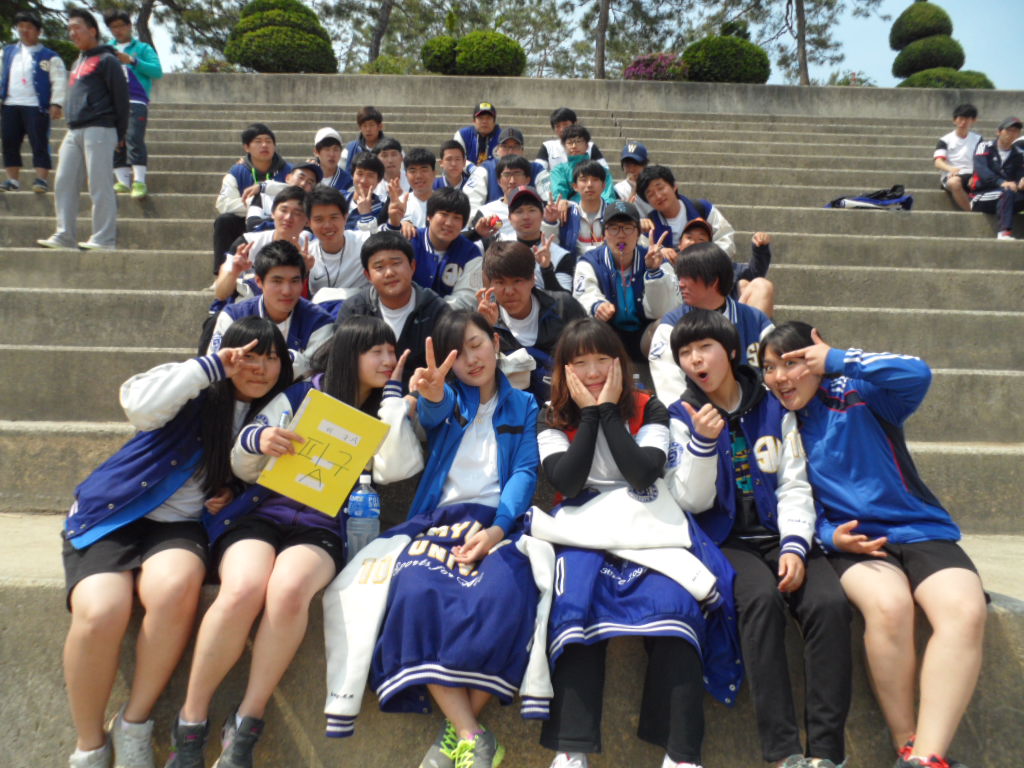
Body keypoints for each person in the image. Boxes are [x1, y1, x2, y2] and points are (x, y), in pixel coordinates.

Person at [165, 316, 422, 768]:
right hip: (261, 513)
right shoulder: (305, 394)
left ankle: (245, 725)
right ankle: (190, 723)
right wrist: (260, 440)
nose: (387, 361)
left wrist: (395, 401)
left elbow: (396, 469)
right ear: (351, 354)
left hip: (322, 528)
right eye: (376, 352)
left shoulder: (387, 409)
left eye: (391, 351)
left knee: (289, 592)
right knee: (243, 588)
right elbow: (241, 459)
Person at [321, 312, 553, 768]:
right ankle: (472, 735)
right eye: (458, 353)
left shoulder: (525, 405)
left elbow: (525, 472)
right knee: (413, 587)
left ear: (495, 342)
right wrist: (431, 393)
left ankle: (459, 733)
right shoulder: (450, 397)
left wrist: (497, 529)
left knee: (508, 593)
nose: (471, 359)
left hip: (499, 524)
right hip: (437, 523)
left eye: (476, 345)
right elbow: (435, 409)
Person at [61, 316, 291, 768]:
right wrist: (211, 366)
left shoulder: (276, 411)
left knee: (175, 589)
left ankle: (135, 724)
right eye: (248, 356)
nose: (259, 368)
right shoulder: (195, 388)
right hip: (116, 514)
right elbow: (138, 404)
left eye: (270, 358)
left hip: (180, 527)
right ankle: (89, 746)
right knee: (102, 610)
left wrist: (232, 491)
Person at [759, 322, 988, 768]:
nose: (780, 378)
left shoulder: (861, 393)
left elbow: (917, 373)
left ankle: (925, 758)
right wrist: (830, 535)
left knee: (965, 611)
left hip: (921, 530)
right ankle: (906, 743)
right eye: (769, 368)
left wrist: (838, 358)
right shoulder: (776, 422)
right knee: (890, 607)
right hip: (851, 543)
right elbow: (790, 497)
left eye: (792, 363)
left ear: (815, 359)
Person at [533, 317, 740, 768]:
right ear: (564, 370)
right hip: (581, 527)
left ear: (620, 363)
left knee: (675, 605)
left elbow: (643, 472)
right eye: (579, 363)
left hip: (648, 521)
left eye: (602, 360)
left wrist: (609, 410)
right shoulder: (551, 415)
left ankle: (681, 753)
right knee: (575, 605)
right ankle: (571, 749)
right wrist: (590, 413)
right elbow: (566, 479)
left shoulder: (650, 406)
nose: (592, 372)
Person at [664, 309, 852, 768]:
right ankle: (784, 752)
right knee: (760, 601)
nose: (695, 360)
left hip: (780, 533)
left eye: (705, 347)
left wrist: (794, 546)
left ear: (731, 351)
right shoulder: (682, 415)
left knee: (829, 604)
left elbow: (793, 483)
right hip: (724, 541)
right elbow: (690, 500)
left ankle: (826, 753)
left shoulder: (772, 406)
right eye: (685, 353)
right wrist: (702, 444)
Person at [37, 8, 128, 251]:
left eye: (77, 28)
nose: (72, 33)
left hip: (100, 128)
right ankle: (65, 235)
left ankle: (104, 238)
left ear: (93, 31)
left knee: (99, 184)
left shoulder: (108, 60)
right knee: (63, 182)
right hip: (74, 129)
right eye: (69, 29)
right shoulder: (78, 61)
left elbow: (121, 99)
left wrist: (121, 134)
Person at [648, 242, 773, 406]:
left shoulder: (756, 320)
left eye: (688, 277)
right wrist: (693, 415)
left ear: (714, 281)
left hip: (753, 412)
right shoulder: (671, 325)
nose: (681, 284)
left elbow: (774, 372)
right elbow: (670, 389)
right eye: (680, 276)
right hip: (696, 415)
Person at [336, 231, 449, 388]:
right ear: (368, 275)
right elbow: (340, 365)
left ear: (412, 266)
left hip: (420, 396)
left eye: (396, 263)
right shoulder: (354, 311)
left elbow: (448, 371)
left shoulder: (438, 311)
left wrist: (415, 397)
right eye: (379, 267)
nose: (389, 273)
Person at [208, 240, 334, 381]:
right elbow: (216, 370)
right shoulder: (233, 316)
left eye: (294, 281)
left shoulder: (320, 322)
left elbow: (313, 379)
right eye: (277, 281)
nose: (287, 291)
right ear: (259, 282)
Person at [477, 240, 585, 402]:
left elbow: (592, 354)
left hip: (568, 400)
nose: (509, 291)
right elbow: (479, 377)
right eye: (500, 282)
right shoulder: (483, 320)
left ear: (532, 279)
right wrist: (486, 331)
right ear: (489, 284)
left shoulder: (564, 307)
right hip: (513, 408)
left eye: (517, 281)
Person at [572, 200, 679, 362]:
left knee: (665, 326)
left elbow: (663, 310)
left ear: (638, 234)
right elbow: (584, 294)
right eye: (614, 228)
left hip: (645, 335)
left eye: (628, 227)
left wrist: (653, 271)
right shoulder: (590, 261)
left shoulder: (656, 260)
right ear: (604, 233)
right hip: (607, 336)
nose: (621, 234)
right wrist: (597, 306)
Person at [210, 185, 313, 307]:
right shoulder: (247, 244)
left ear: (307, 221)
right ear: (273, 213)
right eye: (283, 210)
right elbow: (221, 293)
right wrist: (234, 272)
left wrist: (305, 270)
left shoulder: (311, 251)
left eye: (297, 213)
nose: (288, 217)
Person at [211, 123, 291, 274]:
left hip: (279, 222)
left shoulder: (289, 171)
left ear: (274, 146)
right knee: (224, 221)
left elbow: (298, 193)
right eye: (258, 141)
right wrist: (255, 204)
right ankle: (222, 274)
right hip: (247, 222)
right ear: (247, 147)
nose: (264, 145)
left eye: (268, 141)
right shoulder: (237, 172)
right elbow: (223, 204)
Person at [0, 9, 65, 193]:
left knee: (39, 142)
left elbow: (59, 81)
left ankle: (41, 179)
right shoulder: (7, 52)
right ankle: (12, 180)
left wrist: (56, 103)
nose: (24, 30)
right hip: (10, 104)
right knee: (9, 142)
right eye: (20, 26)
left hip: (36, 106)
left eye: (28, 27)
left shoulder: (50, 56)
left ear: (38, 31)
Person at [103, 9, 162, 200]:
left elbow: (157, 71)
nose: (117, 30)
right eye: (113, 27)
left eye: (120, 26)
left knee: (134, 137)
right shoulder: (106, 49)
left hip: (136, 99)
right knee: (114, 140)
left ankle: (139, 181)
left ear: (129, 26)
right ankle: (122, 180)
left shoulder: (143, 48)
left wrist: (132, 61)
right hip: (111, 102)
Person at [678, 217, 775, 317]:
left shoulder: (722, 268)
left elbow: (754, 274)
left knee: (755, 285)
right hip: (683, 320)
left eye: (701, 239)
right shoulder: (669, 268)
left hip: (723, 319)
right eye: (689, 238)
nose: (694, 242)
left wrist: (760, 249)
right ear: (679, 244)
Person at [637, 165, 735, 258]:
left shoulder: (703, 209)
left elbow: (726, 240)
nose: (658, 196)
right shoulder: (649, 225)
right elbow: (642, 255)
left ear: (674, 186)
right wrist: (659, 253)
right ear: (647, 201)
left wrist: (706, 259)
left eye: (661, 188)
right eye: (651, 194)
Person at [410, 187, 483, 310]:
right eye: (444, 214)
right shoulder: (411, 241)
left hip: (449, 318)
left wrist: (433, 312)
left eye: (457, 217)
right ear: (429, 216)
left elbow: (468, 297)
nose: (449, 223)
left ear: (463, 224)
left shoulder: (472, 253)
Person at [498, 185, 574, 292]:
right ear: (509, 218)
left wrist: (547, 268)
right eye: (519, 211)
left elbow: (565, 298)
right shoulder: (499, 248)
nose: (526, 217)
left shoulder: (561, 255)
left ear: (542, 215)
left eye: (532, 210)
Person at [304, 186, 371, 303]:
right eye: (319, 220)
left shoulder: (365, 243)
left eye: (334, 217)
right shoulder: (307, 255)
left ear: (345, 217)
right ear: (309, 223)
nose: (327, 225)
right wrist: (303, 270)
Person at [544, 159, 614, 258]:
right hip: (572, 266)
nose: (589, 185)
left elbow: (623, 246)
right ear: (575, 186)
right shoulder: (566, 213)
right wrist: (550, 223)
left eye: (595, 179)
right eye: (584, 180)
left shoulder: (614, 214)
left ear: (603, 186)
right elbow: (552, 247)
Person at [970, 116, 1023, 241]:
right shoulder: (985, 147)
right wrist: (1002, 182)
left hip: (1008, 195)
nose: (1011, 134)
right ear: (998, 132)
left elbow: (1019, 175)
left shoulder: (1019, 154)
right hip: (981, 196)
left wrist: (1020, 182)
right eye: (1008, 130)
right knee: (1006, 192)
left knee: (1009, 192)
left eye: (1015, 131)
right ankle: (1004, 232)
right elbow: (982, 171)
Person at [243, 160, 320, 232]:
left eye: (310, 182)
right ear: (288, 178)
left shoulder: (312, 208)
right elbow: (252, 225)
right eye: (301, 177)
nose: (303, 184)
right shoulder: (263, 196)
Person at [549, 126, 617, 206]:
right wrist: (562, 202)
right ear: (564, 147)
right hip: (570, 210)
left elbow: (608, 198)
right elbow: (559, 196)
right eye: (570, 143)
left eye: (578, 141)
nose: (574, 146)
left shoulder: (601, 170)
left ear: (587, 145)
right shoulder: (559, 171)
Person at [476, 127, 544, 204]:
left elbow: (547, 195)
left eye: (515, 147)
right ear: (498, 150)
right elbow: (473, 201)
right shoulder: (486, 169)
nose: (510, 151)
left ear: (522, 150)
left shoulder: (536, 169)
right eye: (505, 146)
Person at [933, 104, 981, 212]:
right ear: (954, 120)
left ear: (973, 120)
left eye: (967, 119)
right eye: (960, 119)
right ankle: (971, 212)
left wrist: (975, 175)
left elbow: (982, 160)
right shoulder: (945, 140)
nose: (963, 122)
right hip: (952, 175)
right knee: (954, 183)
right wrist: (951, 169)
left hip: (972, 173)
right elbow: (938, 162)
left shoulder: (978, 139)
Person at [536, 107, 607, 171]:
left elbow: (604, 170)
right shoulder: (548, 147)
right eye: (558, 126)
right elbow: (538, 170)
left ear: (575, 123)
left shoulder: (590, 146)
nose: (562, 129)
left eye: (565, 124)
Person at [434, 139, 487, 214]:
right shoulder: (432, 186)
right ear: (441, 163)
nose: (453, 164)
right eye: (449, 159)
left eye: (457, 159)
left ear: (464, 162)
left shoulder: (472, 186)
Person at [345, 150, 388, 231]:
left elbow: (373, 238)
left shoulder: (383, 211)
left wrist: (366, 215)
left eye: (370, 175)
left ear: (378, 180)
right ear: (352, 174)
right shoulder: (339, 198)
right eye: (360, 174)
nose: (363, 180)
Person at [342, 106, 385, 173]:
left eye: (371, 125)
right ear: (360, 128)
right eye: (364, 126)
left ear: (380, 126)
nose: (368, 129)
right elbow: (341, 172)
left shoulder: (391, 148)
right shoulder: (350, 149)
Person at [613, 141, 652, 216]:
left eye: (635, 165)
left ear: (645, 165)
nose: (631, 169)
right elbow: (620, 217)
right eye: (627, 165)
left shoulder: (653, 187)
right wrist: (633, 190)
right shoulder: (618, 190)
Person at [312, 127, 353, 192]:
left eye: (335, 149)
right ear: (316, 152)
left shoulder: (348, 181)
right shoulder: (309, 178)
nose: (332, 154)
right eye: (327, 149)